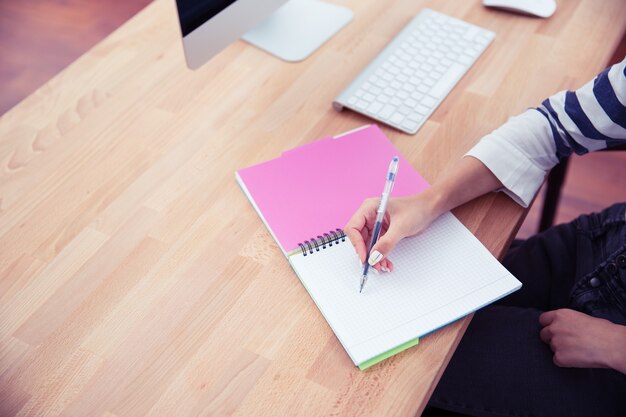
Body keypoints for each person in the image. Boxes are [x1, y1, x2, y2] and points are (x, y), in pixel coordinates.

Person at [344, 55, 626, 417]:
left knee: (403, 366)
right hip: (606, 245)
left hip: (613, 366)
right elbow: (553, 127)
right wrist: (429, 202)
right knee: (432, 305)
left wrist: (617, 347)